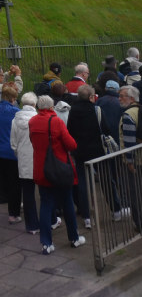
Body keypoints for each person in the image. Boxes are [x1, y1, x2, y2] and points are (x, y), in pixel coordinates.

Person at [29, 94, 85, 255]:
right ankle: (74, 238)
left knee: (46, 205)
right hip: (60, 169)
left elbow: (33, 142)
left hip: (41, 168)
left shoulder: (32, 122)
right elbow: (71, 144)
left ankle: (46, 243)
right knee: (67, 202)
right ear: (51, 107)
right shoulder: (56, 122)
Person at [66, 84, 103, 229]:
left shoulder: (73, 110)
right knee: (103, 180)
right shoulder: (95, 109)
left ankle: (87, 215)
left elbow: (70, 129)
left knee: (82, 182)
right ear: (90, 97)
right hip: (96, 151)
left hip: (79, 151)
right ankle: (115, 209)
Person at [0, 84, 22, 224]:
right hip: (12, 152)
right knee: (15, 183)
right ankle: (13, 213)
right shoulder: (16, 112)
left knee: (2, 179)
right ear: (13, 98)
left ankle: (3, 197)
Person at [9, 91, 39, 233]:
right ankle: (50, 220)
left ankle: (31, 225)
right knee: (45, 192)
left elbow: (13, 143)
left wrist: (19, 154)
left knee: (27, 193)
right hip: (38, 158)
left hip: (23, 160)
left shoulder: (15, 120)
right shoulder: (38, 118)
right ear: (34, 104)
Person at [118, 85, 141, 230]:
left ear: (131, 98)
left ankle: (139, 223)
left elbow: (129, 141)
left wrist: (129, 161)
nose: (119, 99)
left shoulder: (128, 115)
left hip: (136, 162)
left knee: (135, 193)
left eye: (122, 96)